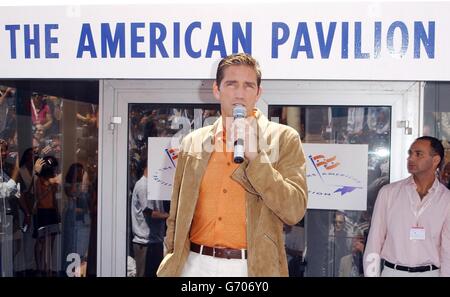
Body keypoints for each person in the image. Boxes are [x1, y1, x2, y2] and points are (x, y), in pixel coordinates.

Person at [157, 53, 308, 277]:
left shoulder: (284, 139)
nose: (239, 93)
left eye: (248, 86)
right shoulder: (193, 142)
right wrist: (170, 262)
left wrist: (256, 159)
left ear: (258, 93)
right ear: (217, 89)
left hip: (251, 269)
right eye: (231, 84)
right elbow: (176, 216)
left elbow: (294, 210)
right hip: (194, 266)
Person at [363, 136, 450, 277]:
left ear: (435, 160)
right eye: (410, 153)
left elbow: (448, 251)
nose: (411, 159)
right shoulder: (388, 193)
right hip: (393, 272)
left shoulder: (446, 199)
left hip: (431, 273)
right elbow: (374, 241)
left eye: (418, 154)